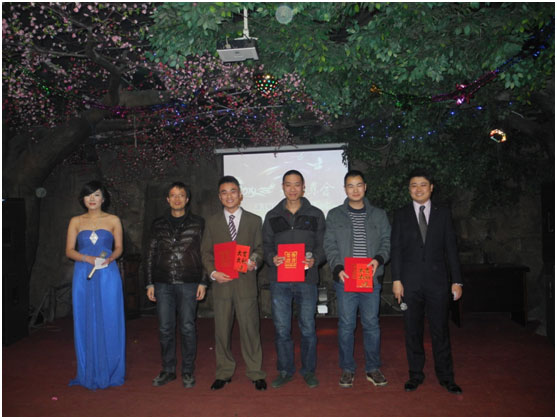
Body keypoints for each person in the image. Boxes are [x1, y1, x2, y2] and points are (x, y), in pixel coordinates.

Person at [391, 168, 463, 395]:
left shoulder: (443, 213)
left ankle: (446, 377)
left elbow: (451, 248)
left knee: (440, 330)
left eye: (423, 184)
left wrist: (457, 281)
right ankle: (415, 374)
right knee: (412, 330)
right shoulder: (401, 214)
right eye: (414, 185)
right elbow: (396, 249)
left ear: (431, 188)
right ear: (409, 189)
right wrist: (396, 279)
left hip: (438, 282)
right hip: (410, 283)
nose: (418, 189)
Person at [324, 170, 391, 388]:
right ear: (345, 189)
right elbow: (329, 245)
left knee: (371, 324)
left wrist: (378, 260)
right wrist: (338, 268)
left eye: (358, 185)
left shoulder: (379, 215)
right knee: (346, 325)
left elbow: (386, 241)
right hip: (346, 279)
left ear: (365, 187)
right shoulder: (334, 215)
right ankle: (347, 368)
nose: (355, 190)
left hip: (371, 278)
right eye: (350, 186)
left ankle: (373, 367)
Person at [201, 176, 267, 391]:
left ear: (240, 195)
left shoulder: (254, 220)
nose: (229, 196)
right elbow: (206, 252)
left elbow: (260, 249)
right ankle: (224, 371)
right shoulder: (212, 222)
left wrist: (253, 261)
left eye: (233, 191)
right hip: (222, 284)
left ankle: (255, 372)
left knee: (250, 329)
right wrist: (213, 273)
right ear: (219, 197)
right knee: (221, 331)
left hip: (246, 283)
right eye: (224, 192)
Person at [262, 169, 326, 389]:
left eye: (296, 184)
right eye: (288, 184)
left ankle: (308, 370)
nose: (292, 189)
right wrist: (272, 258)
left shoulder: (315, 214)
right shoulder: (272, 215)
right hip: (279, 280)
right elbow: (266, 246)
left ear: (303, 187)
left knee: (308, 327)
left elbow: (323, 246)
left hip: (307, 279)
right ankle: (285, 370)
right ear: (282, 187)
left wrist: (315, 259)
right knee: (282, 329)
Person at [145, 182, 208, 388]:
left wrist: (203, 281)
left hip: (189, 281)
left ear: (187, 199)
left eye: (181, 195)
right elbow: (150, 253)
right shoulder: (158, 223)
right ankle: (168, 369)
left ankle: (188, 370)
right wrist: (149, 283)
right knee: (165, 328)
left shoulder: (198, 223)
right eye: (173, 195)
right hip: (163, 282)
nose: (177, 199)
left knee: (188, 327)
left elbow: (206, 253)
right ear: (167, 199)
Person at [65, 180, 125, 390]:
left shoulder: (113, 220)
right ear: (82, 199)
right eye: (88, 195)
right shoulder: (75, 221)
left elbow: (119, 248)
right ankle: (87, 368)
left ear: (104, 198)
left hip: (108, 273)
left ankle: (112, 367)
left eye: (96, 194)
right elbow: (69, 251)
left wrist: (110, 259)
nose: (92, 199)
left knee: (110, 316)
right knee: (85, 317)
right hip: (84, 274)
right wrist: (87, 259)